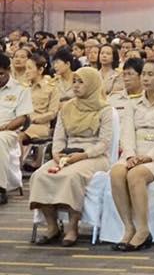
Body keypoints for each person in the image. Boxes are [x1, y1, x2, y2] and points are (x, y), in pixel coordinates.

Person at [29, 67, 113, 246]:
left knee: (72, 176)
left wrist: (83, 155)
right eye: (74, 81)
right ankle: (52, 226)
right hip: (66, 154)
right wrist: (57, 154)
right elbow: (59, 137)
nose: (76, 85)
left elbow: (104, 143)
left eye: (81, 82)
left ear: (92, 84)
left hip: (93, 156)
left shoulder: (105, 109)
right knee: (40, 175)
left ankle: (72, 227)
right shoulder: (66, 108)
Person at [109, 60, 154, 251]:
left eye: (151, 74)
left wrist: (150, 156)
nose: (146, 78)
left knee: (136, 174)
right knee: (116, 172)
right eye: (143, 74)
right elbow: (127, 132)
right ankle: (128, 227)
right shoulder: (133, 102)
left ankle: (143, 230)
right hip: (135, 153)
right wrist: (130, 155)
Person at [1, 53, 33, 205]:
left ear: (8, 70)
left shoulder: (20, 90)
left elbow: (21, 118)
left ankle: (0, 189)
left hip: (7, 131)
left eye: (1, 74)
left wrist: (4, 127)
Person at [19, 55, 60, 162]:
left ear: (40, 70)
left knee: (16, 137)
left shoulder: (51, 87)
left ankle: (17, 167)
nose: (26, 72)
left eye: (29, 68)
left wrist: (36, 119)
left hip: (39, 125)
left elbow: (53, 112)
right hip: (20, 123)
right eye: (25, 68)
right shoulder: (23, 87)